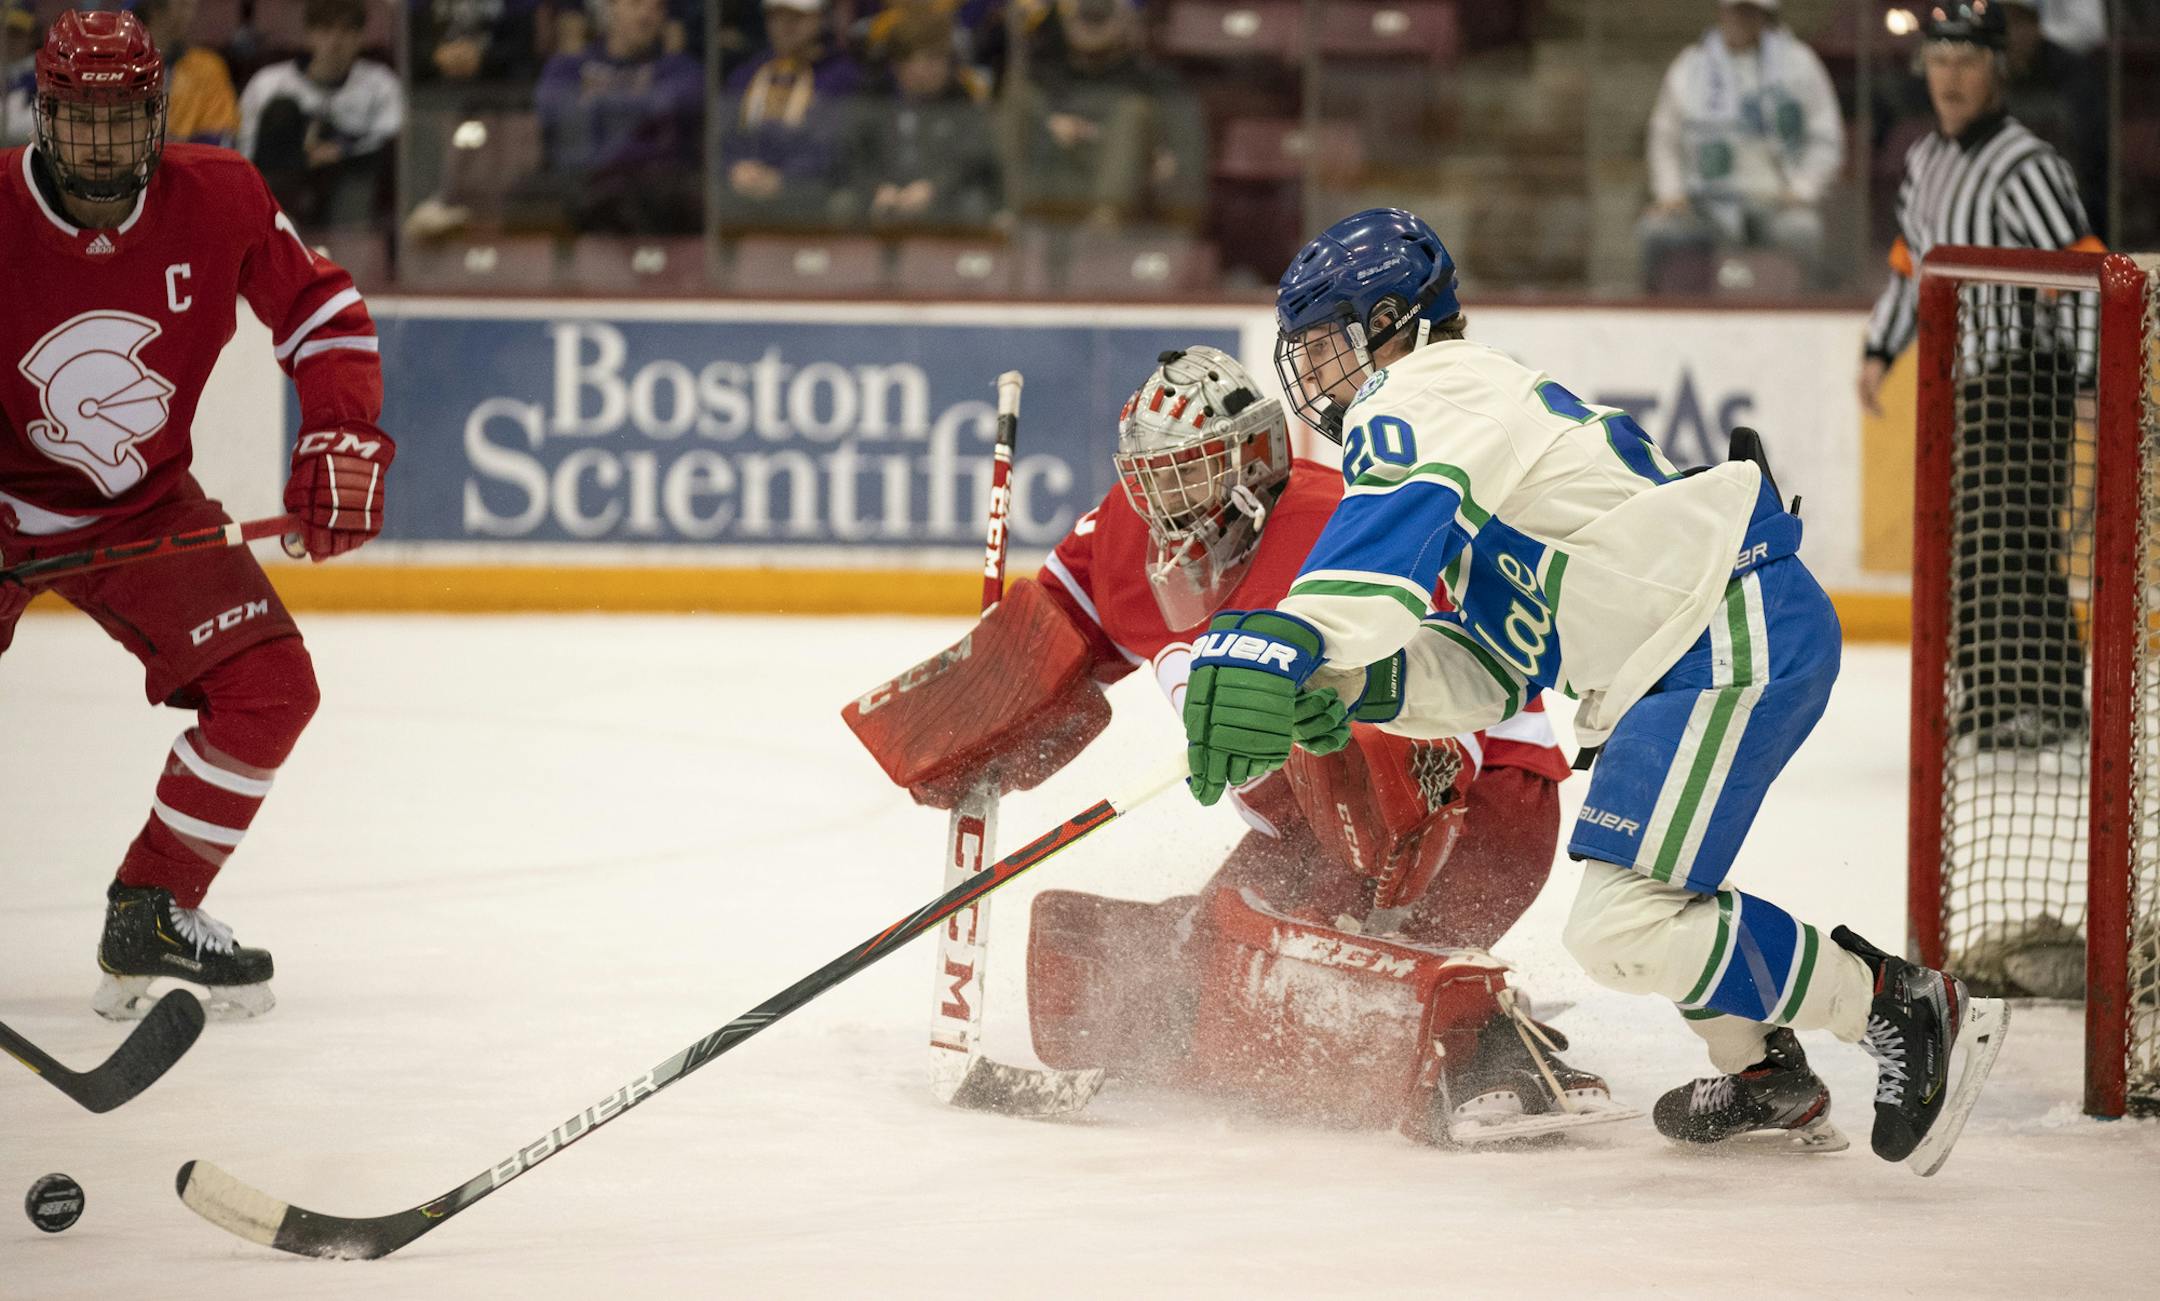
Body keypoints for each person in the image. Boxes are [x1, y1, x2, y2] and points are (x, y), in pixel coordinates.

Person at [1178, 206, 2013, 1170]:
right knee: (1649, 887)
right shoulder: (1474, 442)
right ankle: (1760, 1073)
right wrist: (1357, 686)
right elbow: (1492, 668)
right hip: (1677, 650)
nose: (1314, 375)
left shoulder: (1432, 385)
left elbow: (1377, 554)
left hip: (1728, 625)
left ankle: (1899, 1004)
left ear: (1394, 324)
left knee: (1622, 921)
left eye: (1326, 345)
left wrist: (1301, 634)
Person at [848, 346, 1631, 1146]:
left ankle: (1490, 1040)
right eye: (1147, 477)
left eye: (1185, 475)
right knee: (1213, 957)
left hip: (1477, 796)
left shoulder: (1338, 527)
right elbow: (1049, 641)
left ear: (1255, 460)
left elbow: (1444, 705)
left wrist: (1373, 871)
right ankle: (1377, 970)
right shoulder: (1126, 532)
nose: (1160, 503)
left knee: (1349, 806)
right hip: (1304, 817)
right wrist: (972, 712)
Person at [0, 9, 392, 1021]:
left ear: (159, 113)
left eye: (122, 118)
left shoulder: (219, 196)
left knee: (270, 686)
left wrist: (338, 435)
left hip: (141, 512)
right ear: (40, 117)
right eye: (79, 120)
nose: (102, 142)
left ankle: (155, 905)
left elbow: (322, 313)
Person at [1860, 0, 2101, 750]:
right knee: (1976, 540)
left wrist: (2093, 381)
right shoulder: (1927, 162)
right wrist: (1878, 348)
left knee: (2009, 539)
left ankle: (2036, 703)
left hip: (2028, 379)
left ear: (1997, 71)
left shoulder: (2026, 165)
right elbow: (1912, 269)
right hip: (1961, 383)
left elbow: (2084, 274)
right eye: (1939, 59)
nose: (1950, 76)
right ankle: (2008, 698)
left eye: (1967, 61)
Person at [1639, 0, 1843, 293]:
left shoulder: (1800, 63)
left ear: (1765, 16)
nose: (1742, 20)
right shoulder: (1691, 65)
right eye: (1736, 10)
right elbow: (1663, 138)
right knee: (1655, 232)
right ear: (1722, 12)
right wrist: (1670, 192)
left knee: (1803, 231)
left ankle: (1804, 315)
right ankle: (1654, 317)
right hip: (1703, 203)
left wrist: (1803, 188)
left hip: (1775, 201)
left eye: (1750, 12)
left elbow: (1826, 136)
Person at [1001, 0, 1204, 230]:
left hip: (1126, 202)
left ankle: (1103, 225)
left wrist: (1163, 160)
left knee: (1134, 112)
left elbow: (1184, 167)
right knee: (1019, 99)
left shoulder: (1157, 84)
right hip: (1050, 186)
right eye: (1085, 11)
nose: (1094, 9)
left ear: (1131, 21)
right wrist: (1049, 125)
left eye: (1103, 11)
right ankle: (1007, 214)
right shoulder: (1041, 77)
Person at [237, 0, 403, 227]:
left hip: (348, 189)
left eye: (346, 31)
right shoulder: (269, 83)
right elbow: (246, 147)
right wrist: (300, 155)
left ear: (360, 37)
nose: (335, 41)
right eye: (326, 30)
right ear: (309, 34)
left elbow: (391, 141)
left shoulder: (381, 83)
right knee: (282, 111)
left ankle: (353, 240)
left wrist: (341, 150)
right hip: (282, 189)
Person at [830, 11, 999, 230]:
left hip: (944, 204)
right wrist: (877, 188)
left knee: (973, 203)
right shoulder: (873, 100)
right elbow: (854, 156)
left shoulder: (963, 103)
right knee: (844, 203)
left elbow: (973, 161)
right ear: (899, 64)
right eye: (925, 60)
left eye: (940, 60)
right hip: (882, 201)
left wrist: (933, 188)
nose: (933, 70)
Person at [717, 0, 860, 229]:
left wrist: (784, 179)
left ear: (821, 18)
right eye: (777, 17)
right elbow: (721, 138)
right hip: (741, 199)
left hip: (810, 203)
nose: (786, 26)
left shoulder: (843, 76)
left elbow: (835, 146)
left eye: (797, 18)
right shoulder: (745, 74)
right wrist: (734, 168)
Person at [136, 0, 237, 145]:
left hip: (187, 167)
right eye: (184, 4)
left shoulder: (206, 68)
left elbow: (220, 141)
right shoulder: (113, 69)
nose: (190, 12)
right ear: (154, 9)